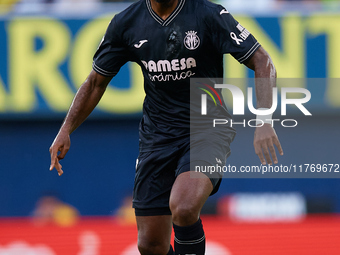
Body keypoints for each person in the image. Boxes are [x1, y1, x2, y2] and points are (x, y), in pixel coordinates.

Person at [49, 0, 283, 254]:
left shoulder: (208, 14)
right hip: (157, 137)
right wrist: (66, 129)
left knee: (183, 207)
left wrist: (264, 120)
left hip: (207, 129)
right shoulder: (126, 23)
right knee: (150, 243)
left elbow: (262, 60)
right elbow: (95, 82)